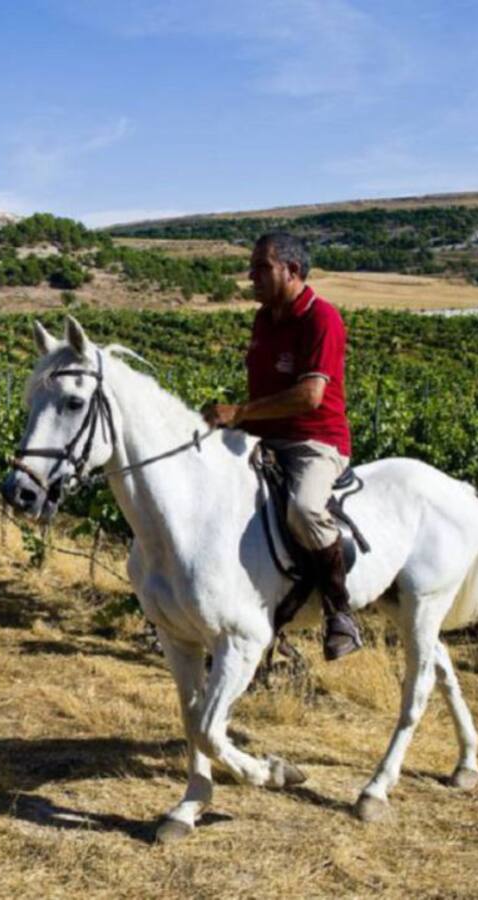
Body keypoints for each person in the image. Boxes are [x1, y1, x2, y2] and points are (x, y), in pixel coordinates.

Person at [202, 232, 363, 660]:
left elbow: (310, 396)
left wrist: (240, 411)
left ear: (291, 270)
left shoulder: (321, 318)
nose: (251, 276)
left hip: (313, 440)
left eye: (262, 268)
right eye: (252, 267)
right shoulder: (263, 319)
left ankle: (339, 612)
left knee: (304, 509)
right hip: (262, 435)